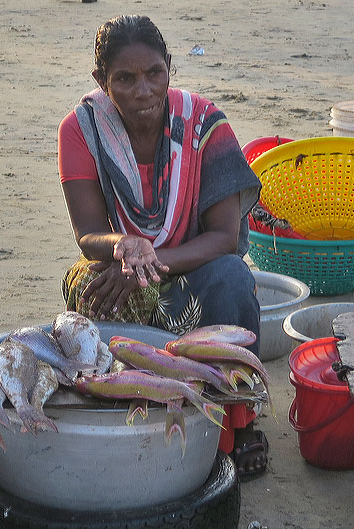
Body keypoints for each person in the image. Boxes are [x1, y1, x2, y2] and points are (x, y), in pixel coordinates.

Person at [57, 15, 269, 480]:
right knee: (83, 289)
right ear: (101, 81)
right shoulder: (81, 129)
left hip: (196, 264)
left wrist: (149, 260)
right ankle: (132, 399)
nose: (143, 90)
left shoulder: (204, 124)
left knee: (233, 277)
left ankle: (241, 420)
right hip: (122, 264)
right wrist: (125, 246)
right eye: (124, 79)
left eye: (155, 73)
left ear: (170, 67)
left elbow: (225, 237)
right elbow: (88, 233)